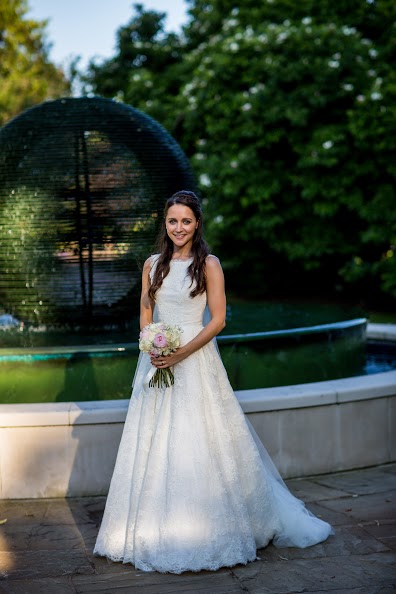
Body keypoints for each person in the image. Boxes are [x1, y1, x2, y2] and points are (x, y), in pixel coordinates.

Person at [94, 190, 334, 573]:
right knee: (153, 440)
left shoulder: (209, 265)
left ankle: (209, 527)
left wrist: (179, 353)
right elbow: (145, 306)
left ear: (197, 223)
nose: (178, 228)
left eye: (186, 221)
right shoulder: (152, 263)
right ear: (165, 223)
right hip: (156, 360)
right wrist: (150, 343)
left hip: (195, 358)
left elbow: (218, 320)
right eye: (172, 220)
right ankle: (147, 527)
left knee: (197, 439)